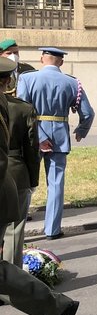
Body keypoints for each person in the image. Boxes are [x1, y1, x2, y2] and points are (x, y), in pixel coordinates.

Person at [0, 56, 79, 315]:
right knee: (56, 188)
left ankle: (55, 306)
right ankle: (56, 307)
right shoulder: (23, 102)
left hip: (13, 176)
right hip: (44, 151)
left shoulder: (16, 101)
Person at [16, 47, 95, 239]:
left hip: (33, 136)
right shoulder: (72, 82)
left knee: (26, 183)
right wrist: (81, 130)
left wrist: (40, 136)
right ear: (61, 62)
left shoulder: (27, 78)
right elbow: (88, 113)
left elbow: (22, 111)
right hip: (60, 137)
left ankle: (17, 230)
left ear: (42, 59)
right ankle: (52, 229)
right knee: (56, 183)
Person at [2, 68, 39, 266]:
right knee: (14, 230)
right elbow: (32, 149)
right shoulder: (22, 109)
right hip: (15, 172)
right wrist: (33, 180)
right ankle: (11, 285)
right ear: (8, 80)